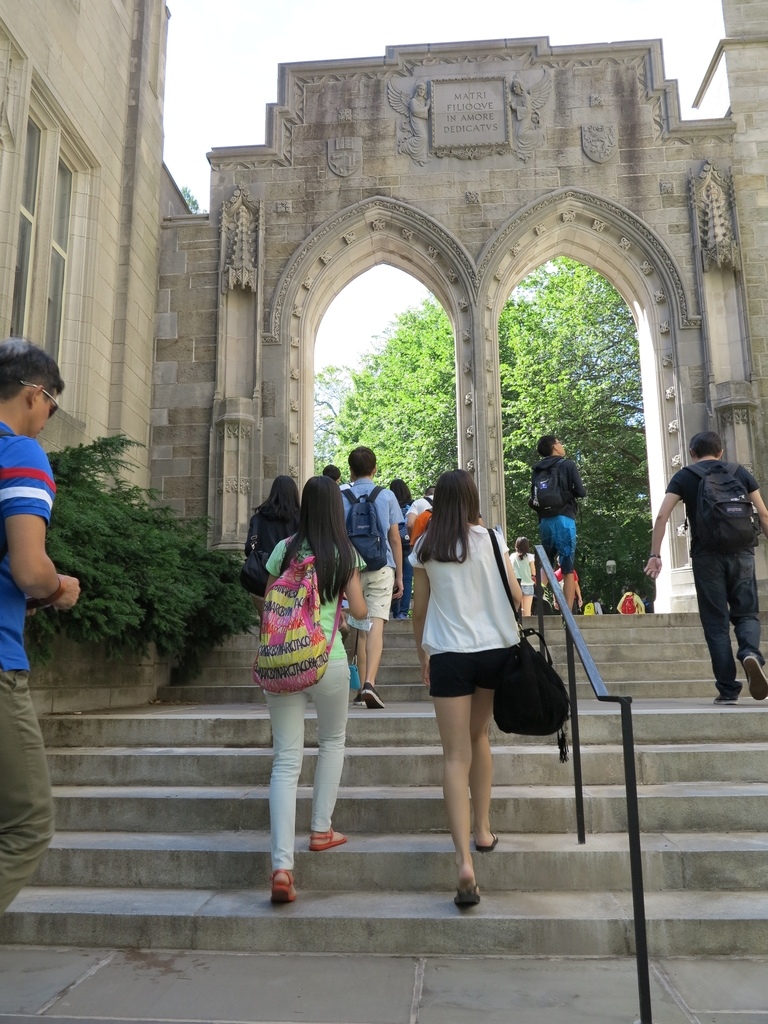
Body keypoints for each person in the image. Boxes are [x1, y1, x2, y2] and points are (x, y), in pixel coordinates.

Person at [411, 470, 522, 906]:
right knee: (479, 737)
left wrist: (423, 654)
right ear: (474, 499)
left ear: (438, 502)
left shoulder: (427, 546)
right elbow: (517, 595)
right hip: (493, 652)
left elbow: (419, 610)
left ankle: (463, 862)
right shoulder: (492, 539)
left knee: (454, 755)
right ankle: (484, 830)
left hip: (449, 654)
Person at [0, 338, 81, 915]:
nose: (49, 418)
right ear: (34, 395)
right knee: (29, 822)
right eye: (52, 405)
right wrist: (56, 591)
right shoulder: (22, 455)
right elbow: (30, 569)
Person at [262, 475, 367, 903]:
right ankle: (321, 830)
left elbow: (268, 603)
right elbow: (359, 608)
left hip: (283, 660)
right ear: (336, 511)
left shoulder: (284, 550)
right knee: (331, 741)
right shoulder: (344, 552)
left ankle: (281, 867)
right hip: (328, 659)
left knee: (286, 760)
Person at [644, 430, 768, 705]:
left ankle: (728, 690)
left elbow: (662, 516)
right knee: (747, 614)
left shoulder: (685, 476)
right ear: (721, 451)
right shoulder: (739, 472)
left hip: (706, 556)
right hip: (742, 553)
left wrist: (655, 555)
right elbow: (763, 514)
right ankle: (750, 653)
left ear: (691, 453)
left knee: (715, 623)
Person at [346, 447, 403, 710]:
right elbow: (395, 538)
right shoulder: (387, 495)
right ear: (375, 469)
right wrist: (399, 574)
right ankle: (370, 682)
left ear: (350, 470)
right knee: (376, 623)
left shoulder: (341, 496)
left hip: (351, 569)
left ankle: (359, 690)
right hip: (381, 566)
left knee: (359, 626)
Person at [529, 435, 586, 615]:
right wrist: (567, 495)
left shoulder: (537, 469)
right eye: (560, 442)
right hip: (564, 519)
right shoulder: (567, 465)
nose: (562, 445)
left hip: (545, 520)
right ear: (554, 447)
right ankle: (567, 614)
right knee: (567, 568)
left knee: (546, 562)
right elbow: (581, 491)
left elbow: (533, 497)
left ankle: (536, 596)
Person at [244, 476, 300, 616]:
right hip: (293, 579)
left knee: (267, 622)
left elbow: (249, 549)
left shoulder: (258, 518)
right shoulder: (301, 519)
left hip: (262, 579)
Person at [389, 478, 413, 620]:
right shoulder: (412, 505)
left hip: (393, 545)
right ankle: (403, 612)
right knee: (407, 578)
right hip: (408, 545)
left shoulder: (391, 505)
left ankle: (394, 610)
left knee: (394, 577)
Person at [512, 537, 536, 617]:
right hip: (528, 584)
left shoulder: (512, 556)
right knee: (527, 611)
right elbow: (533, 572)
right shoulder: (530, 556)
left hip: (516, 585)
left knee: (519, 610)